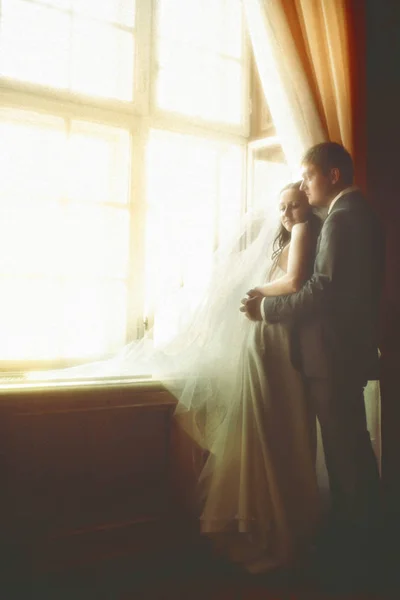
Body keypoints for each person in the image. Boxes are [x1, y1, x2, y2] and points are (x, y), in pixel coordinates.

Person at [242, 142, 385, 585]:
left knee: (347, 457)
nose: (304, 185)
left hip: (335, 354)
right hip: (343, 352)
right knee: (350, 453)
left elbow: (321, 291)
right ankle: (359, 544)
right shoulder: (350, 216)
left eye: (308, 176)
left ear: (334, 175)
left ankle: (360, 556)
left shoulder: (344, 219)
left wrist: (264, 310)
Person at [195, 181, 323, 573]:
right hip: (267, 345)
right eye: (282, 207)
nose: (286, 214)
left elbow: (295, 282)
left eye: (295, 205)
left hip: (278, 347)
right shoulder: (292, 236)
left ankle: (279, 537)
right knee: (267, 432)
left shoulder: (306, 232)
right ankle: (264, 530)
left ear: (309, 205)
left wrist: (255, 294)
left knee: (275, 433)